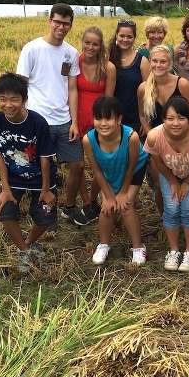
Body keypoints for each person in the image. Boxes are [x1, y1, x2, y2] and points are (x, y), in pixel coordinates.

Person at [16, 2, 88, 226]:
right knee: (42, 168)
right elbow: (21, 85)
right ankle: (45, 215)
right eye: (57, 22)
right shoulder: (32, 49)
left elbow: (72, 88)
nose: (61, 27)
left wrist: (74, 121)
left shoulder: (71, 53)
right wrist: (24, 118)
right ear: (50, 21)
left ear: (70, 26)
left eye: (66, 23)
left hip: (64, 119)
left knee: (77, 164)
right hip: (38, 119)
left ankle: (69, 207)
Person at [0, 73, 57, 274]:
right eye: (3, 99)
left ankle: (30, 242)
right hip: (13, 178)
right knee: (6, 214)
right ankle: (24, 251)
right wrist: (5, 188)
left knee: (45, 217)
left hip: (40, 178)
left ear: (25, 100)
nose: (8, 105)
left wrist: (46, 189)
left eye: (14, 99)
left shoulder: (38, 122)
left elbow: (45, 157)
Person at [144, 97, 189, 273]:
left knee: (188, 209)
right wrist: (173, 182)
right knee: (171, 208)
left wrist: (187, 183)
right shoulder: (154, 136)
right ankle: (173, 251)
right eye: (170, 118)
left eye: (181, 118)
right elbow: (158, 162)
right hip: (169, 173)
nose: (175, 123)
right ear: (163, 119)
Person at [82, 96, 149, 266]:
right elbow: (97, 171)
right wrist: (109, 196)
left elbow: (131, 167)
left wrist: (123, 192)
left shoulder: (131, 137)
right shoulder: (88, 140)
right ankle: (103, 244)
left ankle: (138, 247)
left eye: (108, 118)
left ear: (119, 119)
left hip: (133, 171)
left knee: (125, 206)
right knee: (107, 207)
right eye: (98, 118)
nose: (103, 123)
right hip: (109, 171)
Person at [138, 45, 189, 214]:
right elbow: (142, 116)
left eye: (163, 61)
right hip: (158, 143)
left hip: (182, 142)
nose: (158, 65)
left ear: (170, 63)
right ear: (150, 63)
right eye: (155, 61)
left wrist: (180, 137)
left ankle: (184, 214)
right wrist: (151, 135)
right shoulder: (143, 88)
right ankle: (167, 218)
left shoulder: (182, 84)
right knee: (158, 185)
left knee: (182, 181)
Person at [77, 26, 117, 221]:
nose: (91, 47)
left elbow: (108, 100)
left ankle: (94, 197)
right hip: (76, 119)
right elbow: (69, 90)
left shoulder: (108, 67)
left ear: (101, 46)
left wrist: (104, 124)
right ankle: (86, 202)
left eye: (95, 44)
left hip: (99, 122)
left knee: (101, 164)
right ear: (82, 42)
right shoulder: (74, 62)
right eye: (87, 43)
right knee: (77, 165)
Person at [109, 19, 149, 133]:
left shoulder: (142, 61)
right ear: (116, 36)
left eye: (129, 37)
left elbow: (148, 93)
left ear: (134, 38)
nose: (125, 40)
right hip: (112, 119)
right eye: (122, 36)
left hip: (135, 120)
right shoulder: (108, 58)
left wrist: (146, 120)